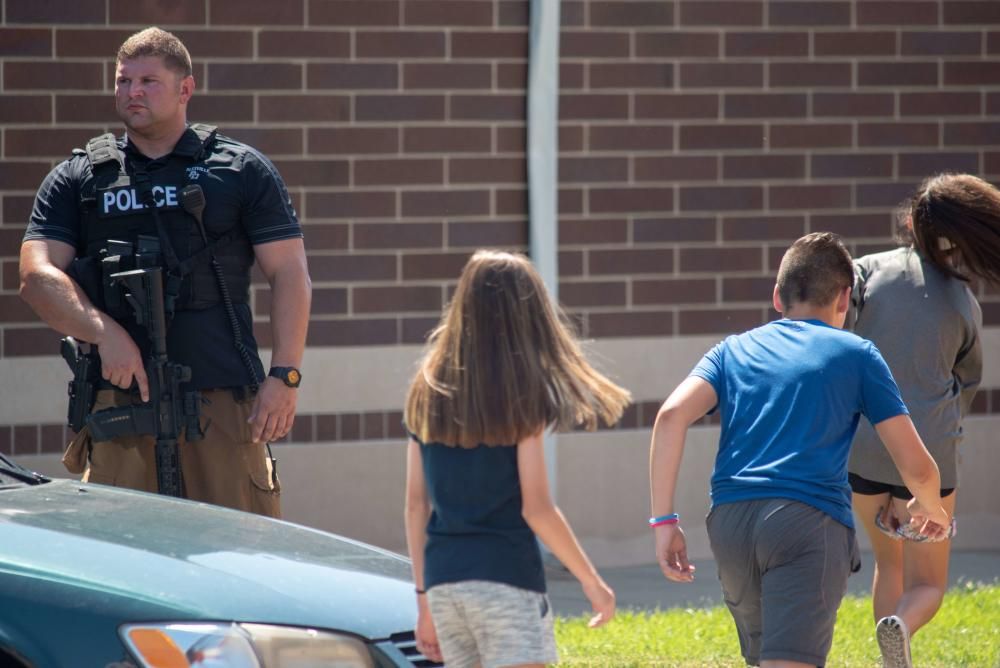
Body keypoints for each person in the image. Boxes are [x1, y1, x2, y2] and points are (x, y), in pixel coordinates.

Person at [18, 27, 311, 517]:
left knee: (240, 557)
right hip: (121, 407)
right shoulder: (80, 178)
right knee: (122, 564)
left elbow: (290, 274)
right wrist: (102, 330)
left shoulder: (239, 170)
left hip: (220, 403)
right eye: (123, 80)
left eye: (148, 81)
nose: (132, 92)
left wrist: (285, 375)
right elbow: (36, 275)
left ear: (185, 89)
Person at [649, 232, 951, 668]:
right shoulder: (858, 354)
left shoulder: (730, 350)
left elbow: (670, 416)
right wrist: (933, 510)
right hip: (806, 523)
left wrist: (663, 522)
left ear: (777, 296)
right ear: (845, 299)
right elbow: (918, 469)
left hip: (731, 523)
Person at [403, 249, 630, 667]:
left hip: (443, 585)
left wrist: (422, 602)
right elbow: (538, 508)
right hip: (506, 579)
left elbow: (417, 504)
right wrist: (592, 582)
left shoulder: (426, 387)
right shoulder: (519, 394)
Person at [848, 173, 994, 668]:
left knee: (887, 563)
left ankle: (890, 648)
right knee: (927, 583)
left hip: (864, 446)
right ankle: (902, 627)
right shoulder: (961, 301)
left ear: (910, 223)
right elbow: (965, 384)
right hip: (929, 454)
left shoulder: (865, 272)